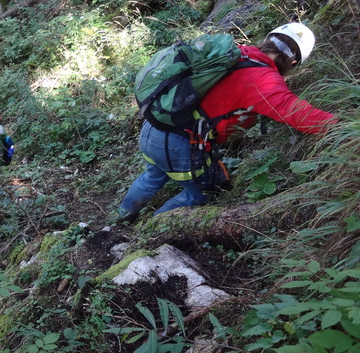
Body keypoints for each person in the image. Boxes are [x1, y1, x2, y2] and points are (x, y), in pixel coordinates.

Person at [117, 23, 336, 224]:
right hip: (179, 143)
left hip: (154, 127)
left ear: (268, 39)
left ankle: (122, 219)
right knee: (202, 193)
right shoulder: (263, 79)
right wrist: (340, 126)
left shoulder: (234, 53)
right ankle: (150, 233)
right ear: (294, 62)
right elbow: (298, 113)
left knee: (152, 176)